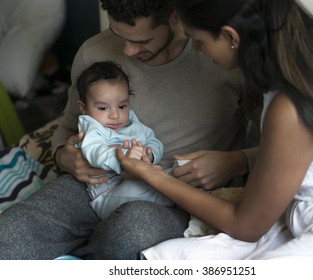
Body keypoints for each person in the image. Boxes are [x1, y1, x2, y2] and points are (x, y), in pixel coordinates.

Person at [0, 0, 251, 260]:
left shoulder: (224, 57)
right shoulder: (93, 52)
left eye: (142, 41)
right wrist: (63, 156)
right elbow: (66, 126)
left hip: (177, 196)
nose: (128, 51)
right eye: (118, 35)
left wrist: (237, 161)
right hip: (94, 184)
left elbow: (285, 146)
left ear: (175, 17)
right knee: (10, 234)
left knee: (133, 232)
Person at [116, 0, 313, 259]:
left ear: (230, 36)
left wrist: (153, 175)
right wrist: (240, 160)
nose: (197, 49)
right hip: (307, 209)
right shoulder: (309, 45)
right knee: (171, 256)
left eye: (197, 40)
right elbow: (310, 152)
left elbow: (246, 227)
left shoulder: (293, 105)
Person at [76, 61, 173, 220]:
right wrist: (124, 160)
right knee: (138, 188)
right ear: (83, 107)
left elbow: (153, 141)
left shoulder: (132, 123)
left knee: (172, 172)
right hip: (108, 193)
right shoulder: (93, 128)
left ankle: (176, 196)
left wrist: (150, 154)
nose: (115, 115)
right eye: (103, 108)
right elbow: (94, 152)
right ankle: (176, 202)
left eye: (122, 106)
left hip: (142, 178)